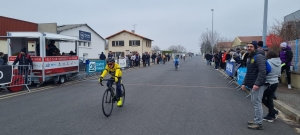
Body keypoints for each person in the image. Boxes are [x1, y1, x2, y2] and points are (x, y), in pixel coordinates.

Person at [242, 41, 267, 130]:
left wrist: (257, 84)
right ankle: (257, 119)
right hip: (253, 83)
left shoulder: (259, 56)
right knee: (254, 102)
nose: (249, 48)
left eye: (251, 46)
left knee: (257, 103)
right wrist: (244, 83)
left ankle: (258, 123)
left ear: (255, 47)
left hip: (258, 84)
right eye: (248, 46)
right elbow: (249, 72)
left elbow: (262, 71)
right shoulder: (251, 56)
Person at [262, 50, 281, 122]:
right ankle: (271, 114)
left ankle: (272, 113)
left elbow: (265, 72)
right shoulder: (279, 62)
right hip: (275, 82)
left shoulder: (268, 62)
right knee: (270, 98)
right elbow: (279, 73)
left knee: (262, 98)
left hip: (268, 82)